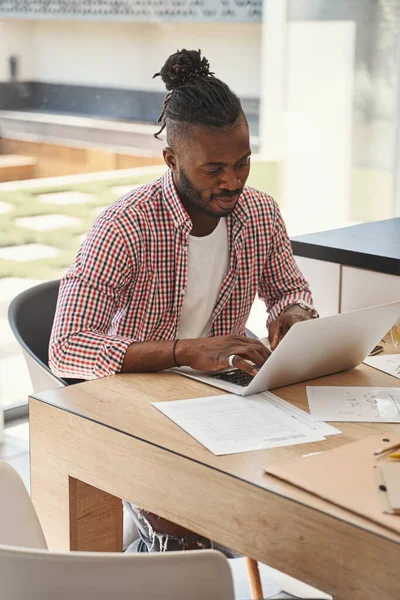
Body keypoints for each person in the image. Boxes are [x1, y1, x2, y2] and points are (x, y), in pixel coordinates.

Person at [49, 49, 318, 553]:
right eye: (214, 168)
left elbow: (289, 288)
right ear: (171, 159)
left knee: (313, 486)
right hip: (139, 409)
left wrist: (294, 313)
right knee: (191, 527)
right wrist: (185, 350)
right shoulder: (125, 226)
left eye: (242, 163)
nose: (233, 182)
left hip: (225, 406)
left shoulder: (259, 212)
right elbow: (67, 347)